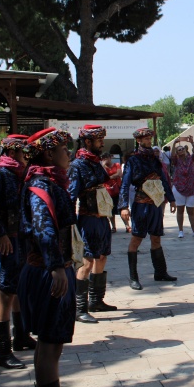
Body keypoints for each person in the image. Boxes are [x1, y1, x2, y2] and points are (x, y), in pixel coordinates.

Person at [17, 127, 77, 387]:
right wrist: (56, 267)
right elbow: (44, 228)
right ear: (49, 154)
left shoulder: (49, 182)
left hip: (52, 268)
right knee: (51, 345)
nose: (68, 154)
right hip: (48, 272)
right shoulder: (41, 185)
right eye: (64, 150)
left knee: (49, 343)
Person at [0, 134, 36, 369]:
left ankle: (22, 335)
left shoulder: (22, 174)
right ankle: (3, 351)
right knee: (6, 292)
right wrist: (0, 235)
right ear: (12, 152)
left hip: (22, 238)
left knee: (19, 288)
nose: (27, 156)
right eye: (24, 152)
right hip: (7, 239)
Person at [68, 125, 117, 324]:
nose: (102, 144)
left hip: (101, 217)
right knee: (86, 262)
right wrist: (70, 223)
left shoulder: (96, 162)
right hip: (87, 219)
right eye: (99, 140)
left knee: (102, 257)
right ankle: (79, 308)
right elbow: (71, 195)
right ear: (87, 141)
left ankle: (96, 301)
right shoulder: (77, 165)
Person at [119, 128, 177, 290]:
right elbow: (125, 184)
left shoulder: (154, 159)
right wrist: (123, 206)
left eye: (150, 138)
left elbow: (163, 180)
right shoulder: (133, 160)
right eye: (145, 139)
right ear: (139, 140)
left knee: (156, 237)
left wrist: (171, 199)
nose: (148, 141)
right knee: (136, 239)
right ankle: (133, 278)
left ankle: (160, 272)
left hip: (156, 204)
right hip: (141, 204)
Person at [171, 136, 194, 238]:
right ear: (177, 152)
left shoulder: (190, 159)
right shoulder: (176, 161)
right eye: (179, 150)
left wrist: (192, 142)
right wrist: (174, 143)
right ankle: (180, 231)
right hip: (179, 188)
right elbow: (172, 156)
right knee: (180, 210)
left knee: (191, 211)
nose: (181, 150)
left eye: (182, 149)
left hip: (190, 188)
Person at [101, 152, 127, 233]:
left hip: (117, 189)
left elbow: (119, 174)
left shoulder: (116, 165)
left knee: (121, 207)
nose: (106, 160)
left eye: (107, 157)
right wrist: (103, 166)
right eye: (104, 158)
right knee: (110, 209)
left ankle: (127, 225)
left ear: (110, 158)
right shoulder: (102, 168)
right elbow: (101, 176)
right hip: (107, 190)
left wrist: (108, 177)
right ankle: (113, 227)